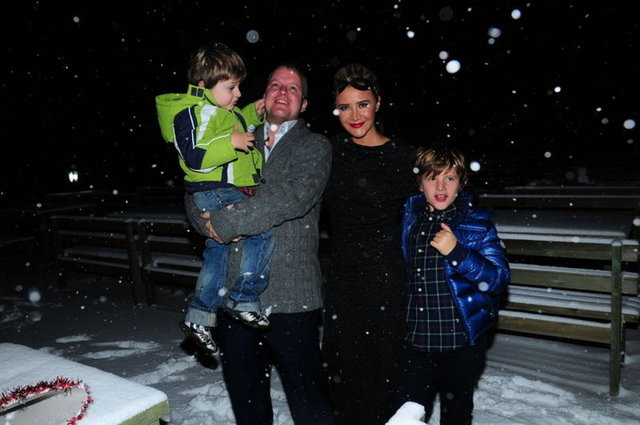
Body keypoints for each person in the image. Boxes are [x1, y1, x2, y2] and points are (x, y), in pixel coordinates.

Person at [190, 64, 334, 425]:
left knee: (310, 403)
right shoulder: (231, 136)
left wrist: (226, 221)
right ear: (263, 96)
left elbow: (291, 197)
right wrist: (205, 222)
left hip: (291, 296)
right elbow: (196, 184)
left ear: (303, 104)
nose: (283, 92)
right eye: (275, 85)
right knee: (247, 399)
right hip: (233, 295)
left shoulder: (314, 146)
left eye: (293, 88)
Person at [155, 42, 272, 355]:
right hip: (214, 189)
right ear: (203, 85)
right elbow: (194, 155)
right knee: (260, 231)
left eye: (239, 87)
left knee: (217, 254)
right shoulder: (192, 112)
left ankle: (199, 316)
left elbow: (230, 126)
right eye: (231, 88)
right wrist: (231, 142)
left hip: (217, 189)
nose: (238, 94)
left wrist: (253, 114)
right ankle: (244, 297)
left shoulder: (217, 111)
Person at [321, 63, 416, 424]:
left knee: (387, 378)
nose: (355, 115)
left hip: (390, 284)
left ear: (378, 103)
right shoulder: (327, 154)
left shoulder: (404, 158)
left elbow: (437, 205)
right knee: (343, 380)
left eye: (363, 104)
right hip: (344, 284)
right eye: (344, 107)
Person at [393, 144, 510, 424]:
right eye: (432, 178)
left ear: (462, 183)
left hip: (460, 343)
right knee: (407, 414)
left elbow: (498, 279)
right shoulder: (408, 223)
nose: (440, 186)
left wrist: (458, 252)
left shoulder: (478, 225)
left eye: (449, 178)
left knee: (456, 413)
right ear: (420, 184)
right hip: (415, 342)